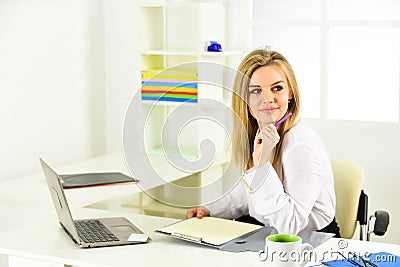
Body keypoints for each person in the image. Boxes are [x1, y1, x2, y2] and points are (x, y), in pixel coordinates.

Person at [186, 48, 340, 237]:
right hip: (264, 231)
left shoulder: (300, 146)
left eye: (277, 88)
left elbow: (291, 224)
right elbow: (248, 195)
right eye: (256, 90)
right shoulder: (260, 133)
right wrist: (210, 210)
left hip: (307, 240)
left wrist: (262, 165)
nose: (267, 99)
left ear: (290, 93)